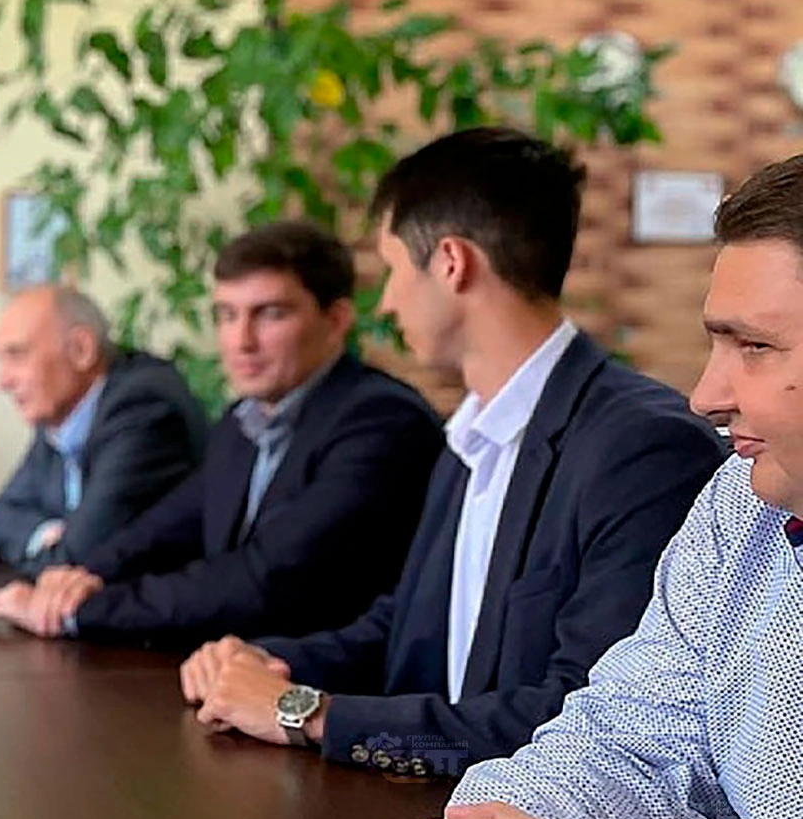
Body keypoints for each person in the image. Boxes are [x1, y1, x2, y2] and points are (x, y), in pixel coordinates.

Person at [375, 153, 803, 819]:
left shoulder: (655, 448)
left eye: (756, 347)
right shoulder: (745, 503)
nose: (707, 396)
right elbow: (636, 735)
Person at [182, 129, 723, 775]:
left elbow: (587, 724)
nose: (385, 301)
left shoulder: (642, 448)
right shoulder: (470, 431)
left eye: (392, 269)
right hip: (429, 809)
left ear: (450, 262)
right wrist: (266, 663)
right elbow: (410, 627)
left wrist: (309, 714)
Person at [0, 222, 442, 644]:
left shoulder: (380, 423)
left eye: (270, 313)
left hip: (337, 695)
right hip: (240, 675)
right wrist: (79, 577)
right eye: (227, 315)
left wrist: (79, 610)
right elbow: (165, 527)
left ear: (335, 322)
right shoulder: (242, 422)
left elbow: (261, 581)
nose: (241, 341)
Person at [0, 287, 206, 574]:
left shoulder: (143, 410)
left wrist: (58, 548)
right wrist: (48, 535)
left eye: (17, 355)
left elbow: (78, 566)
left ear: (81, 349)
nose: (3, 381)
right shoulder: (60, 411)